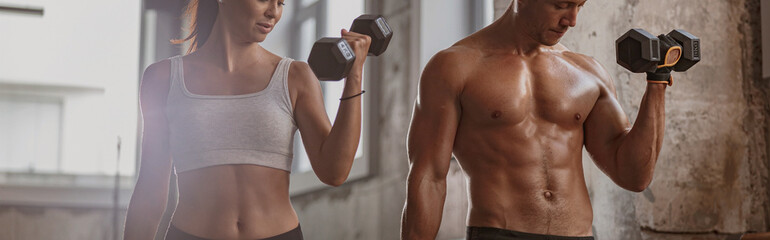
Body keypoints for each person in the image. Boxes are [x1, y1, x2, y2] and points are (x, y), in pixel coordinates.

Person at [402, 0, 669, 239]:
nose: (572, 20)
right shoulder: (455, 67)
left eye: (579, 6)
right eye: (560, 5)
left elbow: (634, 176)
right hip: (499, 233)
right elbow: (429, 178)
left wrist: (656, 84)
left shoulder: (587, 72)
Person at [124, 0, 372, 239]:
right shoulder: (163, 78)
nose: (273, 12)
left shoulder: (295, 76)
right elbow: (149, 193)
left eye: (281, 3)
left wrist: (355, 77)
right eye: (264, 0)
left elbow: (334, 172)